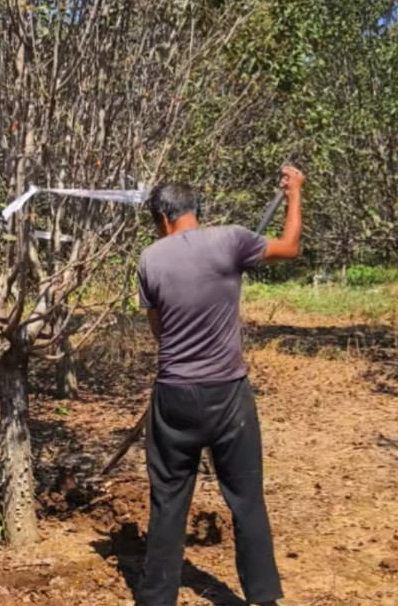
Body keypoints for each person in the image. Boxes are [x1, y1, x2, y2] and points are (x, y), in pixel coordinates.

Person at [134, 166, 305, 606]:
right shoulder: (231, 240)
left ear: (163, 219)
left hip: (174, 397)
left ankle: (156, 599)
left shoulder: (150, 259)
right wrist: (294, 194)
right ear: (194, 211)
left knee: (168, 501)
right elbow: (289, 247)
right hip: (228, 395)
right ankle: (263, 597)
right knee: (246, 499)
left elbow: (160, 330)